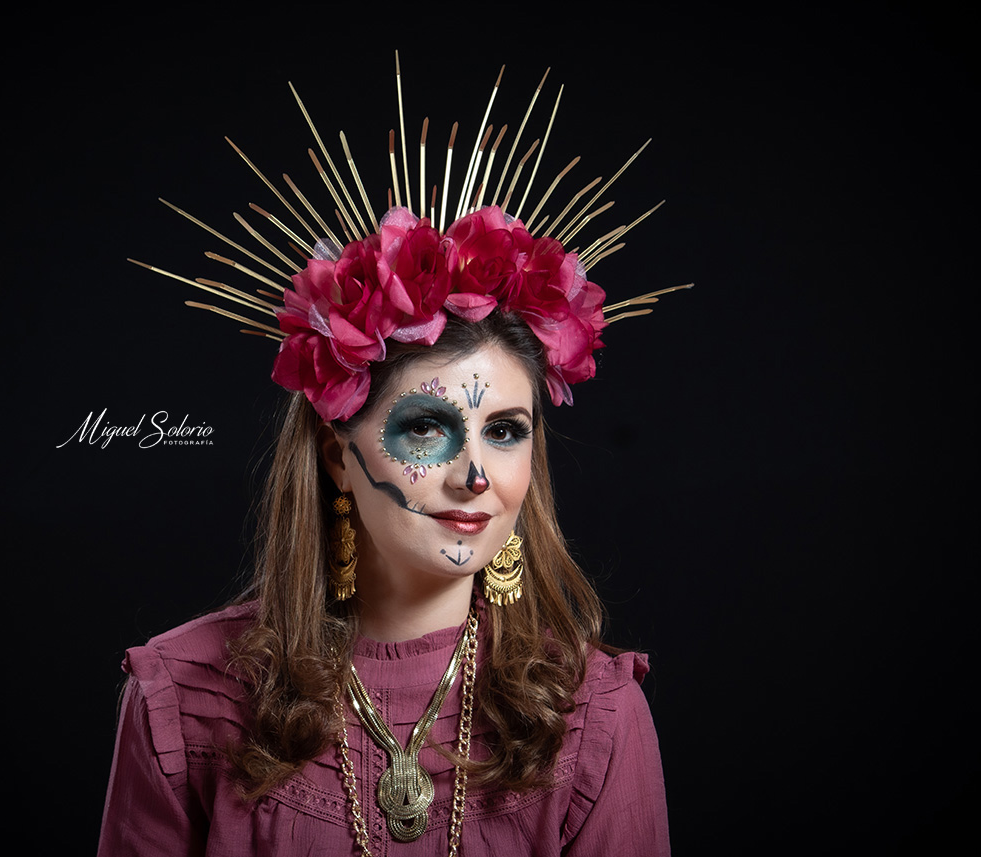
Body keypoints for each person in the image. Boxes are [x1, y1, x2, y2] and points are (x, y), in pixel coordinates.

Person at [100, 60, 683, 855]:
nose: (475, 475)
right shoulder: (182, 702)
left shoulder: (597, 715)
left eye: (504, 430)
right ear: (338, 454)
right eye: (426, 429)